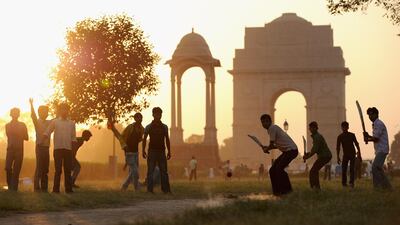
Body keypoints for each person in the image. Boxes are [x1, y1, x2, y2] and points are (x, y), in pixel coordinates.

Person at [260, 114, 298, 196]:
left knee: (279, 169)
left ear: (270, 121)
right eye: (262, 122)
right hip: (288, 151)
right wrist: (268, 148)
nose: (264, 124)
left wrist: (267, 148)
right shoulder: (272, 129)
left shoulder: (272, 128)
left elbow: (271, 144)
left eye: (266, 121)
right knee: (272, 170)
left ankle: (287, 190)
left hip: (291, 151)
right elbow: (276, 145)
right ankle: (277, 192)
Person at [44, 103, 76, 194]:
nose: (64, 111)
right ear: (59, 110)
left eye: (65, 109)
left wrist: (73, 150)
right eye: (62, 109)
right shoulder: (55, 122)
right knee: (58, 170)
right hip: (58, 149)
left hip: (68, 149)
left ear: (68, 111)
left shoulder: (72, 123)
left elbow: (73, 137)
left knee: (67, 170)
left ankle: (68, 189)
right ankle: (55, 189)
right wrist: (42, 140)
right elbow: (48, 132)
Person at [109, 113, 144, 191]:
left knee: (132, 173)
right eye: (138, 118)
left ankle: (125, 187)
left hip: (136, 153)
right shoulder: (130, 127)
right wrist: (125, 147)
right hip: (129, 153)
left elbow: (140, 139)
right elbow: (122, 137)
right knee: (135, 172)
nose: (140, 119)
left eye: (141, 118)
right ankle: (135, 188)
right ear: (135, 119)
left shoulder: (141, 128)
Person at [142, 107, 171, 193]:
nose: (158, 116)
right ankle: (150, 190)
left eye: (159, 114)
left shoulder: (164, 127)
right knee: (150, 171)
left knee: (164, 172)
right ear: (153, 115)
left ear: (161, 115)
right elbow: (144, 139)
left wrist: (169, 151)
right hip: (152, 151)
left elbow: (167, 139)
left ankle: (166, 190)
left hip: (162, 151)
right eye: (156, 114)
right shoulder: (149, 127)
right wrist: (143, 150)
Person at [363, 107, 392, 190]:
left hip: (382, 149)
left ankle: (377, 187)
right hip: (380, 149)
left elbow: (376, 138)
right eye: (369, 115)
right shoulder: (375, 124)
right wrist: (367, 138)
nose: (370, 117)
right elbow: (375, 138)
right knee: (379, 168)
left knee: (375, 167)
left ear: (376, 114)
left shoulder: (378, 124)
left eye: (371, 114)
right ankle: (388, 187)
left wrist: (368, 137)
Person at [29, 98, 51, 192]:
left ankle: (44, 188)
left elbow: (57, 118)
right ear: (39, 113)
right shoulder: (37, 122)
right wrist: (31, 104)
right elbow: (33, 115)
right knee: (39, 167)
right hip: (39, 147)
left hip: (46, 148)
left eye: (46, 112)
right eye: (43, 112)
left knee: (45, 168)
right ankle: (36, 188)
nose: (45, 113)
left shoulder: (50, 122)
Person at [303, 121, 332, 190]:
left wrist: (307, 156)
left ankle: (315, 187)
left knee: (313, 171)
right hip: (325, 156)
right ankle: (316, 187)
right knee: (314, 170)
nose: (310, 129)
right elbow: (314, 149)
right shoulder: (316, 136)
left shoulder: (317, 137)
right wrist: (308, 154)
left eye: (311, 128)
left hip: (325, 156)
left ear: (315, 128)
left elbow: (315, 149)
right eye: (309, 128)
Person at [5, 108, 28, 191]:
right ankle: (10, 186)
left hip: (19, 149)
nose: (15, 114)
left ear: (19, 114)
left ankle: (14, 188)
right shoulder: (7, 125)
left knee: (16, 170)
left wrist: (19, 133)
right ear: (11, 114)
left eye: (17, 113)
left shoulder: (23, 125)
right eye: (13, 113)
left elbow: (26, 137)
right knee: (7, 168)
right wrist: (17, 133)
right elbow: (9, 135)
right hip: (10, 149)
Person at [336, 121, 361, 187]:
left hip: (352, 154)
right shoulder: (340, 137)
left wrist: (359, 154)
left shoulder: (352, 135)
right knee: (344, 169)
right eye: (343, 127)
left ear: (348, 127)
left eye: (345, 127)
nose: (344, 128)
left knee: (351, 169)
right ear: (341, 127)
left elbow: (357, 144)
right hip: (346, 155)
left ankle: (351, 183)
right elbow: (338, 147)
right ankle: (344, 183)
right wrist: (338, 157)